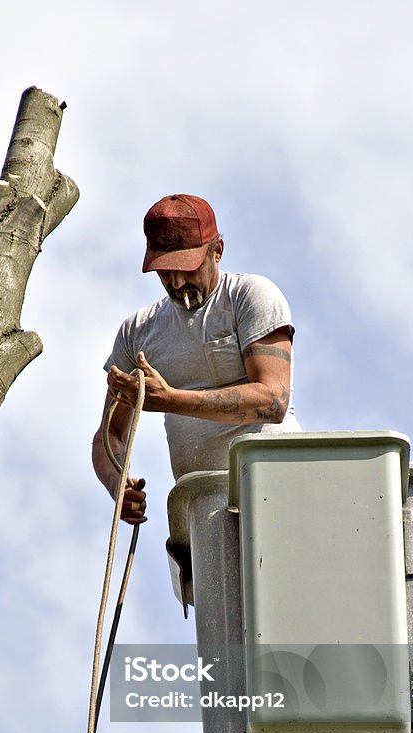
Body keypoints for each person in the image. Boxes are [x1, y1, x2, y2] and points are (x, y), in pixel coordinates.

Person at [92, 194, 299, 524]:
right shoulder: (138, 332)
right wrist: (118, 483)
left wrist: (171, 400)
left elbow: (273, 400)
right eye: (164, 272)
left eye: (186, 268)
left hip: (278, 491)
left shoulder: (248, 297)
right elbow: (110, 435)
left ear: (217, 250)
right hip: (202, 511)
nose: (176, 282)